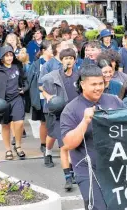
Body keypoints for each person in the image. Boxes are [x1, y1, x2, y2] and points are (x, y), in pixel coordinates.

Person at [60, 64, 125, 210]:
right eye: (93, 84)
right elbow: (69, 143)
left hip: (117, 168)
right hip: (89, 171)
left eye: (100, 83)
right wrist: (85, 121)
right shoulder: (71, 109)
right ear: (82, 84)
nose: (98, 88)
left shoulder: (114, 101)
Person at [42, 48, 79, 191]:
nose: (68, 61)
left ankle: (72, 174)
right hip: (58, 113)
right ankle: (66, 176)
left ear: (75, 60)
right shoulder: (54, 76)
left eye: (71, 58)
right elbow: (42, 87)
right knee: (60, 143)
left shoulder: (78, 76)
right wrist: (49, 97)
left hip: (74, 114)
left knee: (70, 146)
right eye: (66, 58)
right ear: (61, 60)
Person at [0, 46, 28, 160]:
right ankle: (8, 149)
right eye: (6, 55)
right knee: (5, 125)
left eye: (11, 55)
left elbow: (25, 80)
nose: (9, 58)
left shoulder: (17, 66)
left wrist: (23, 89)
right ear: (2, 57)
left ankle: (18, 146)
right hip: (2, 101)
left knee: (19, 123)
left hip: (17, 98)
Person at [28, 40, 53, 153]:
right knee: (44, 122)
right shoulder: (36, 64)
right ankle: (43, 143)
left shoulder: (55, 63)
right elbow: (30, 81)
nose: (53, 51)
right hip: (41, 97)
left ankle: (53, 142)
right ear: (44, 51)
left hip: (55, 96)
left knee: (55, 121)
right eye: (51, 49)